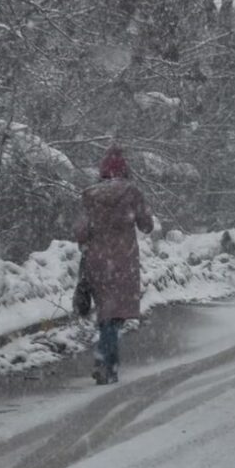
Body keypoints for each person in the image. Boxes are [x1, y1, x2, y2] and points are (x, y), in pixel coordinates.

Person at [74, 145, 153, 385]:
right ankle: (106, 363)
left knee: (106, 314)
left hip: (97, 262)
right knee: (114, 316)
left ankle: (107, 363)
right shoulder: (131, 193)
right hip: (123, 261)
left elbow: (80, 232)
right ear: (124, 171)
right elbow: (146, 225)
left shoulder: (90, 195)